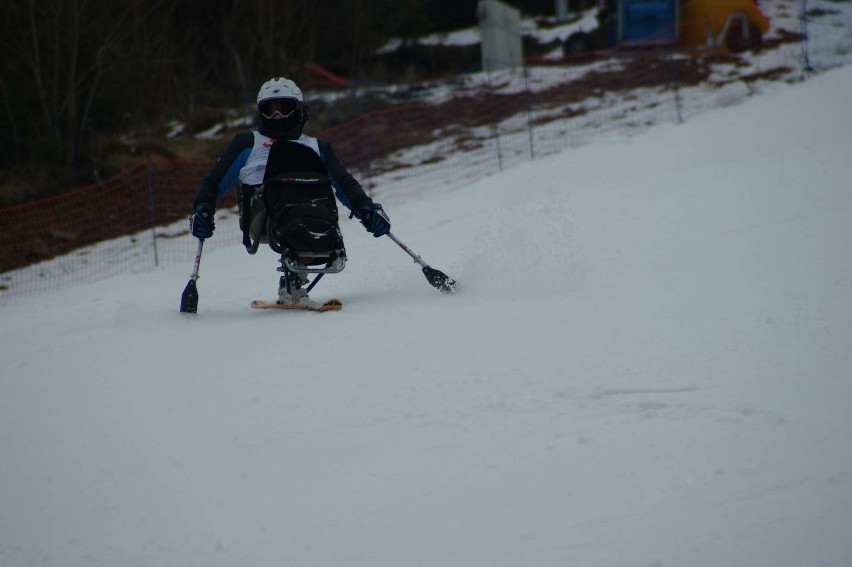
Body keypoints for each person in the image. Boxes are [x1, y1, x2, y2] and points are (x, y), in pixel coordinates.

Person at [189, 77, 390, 306]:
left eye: (284, 109)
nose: (277, 117)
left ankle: (296, 276)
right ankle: (293, 278)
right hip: (263, 215)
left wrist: (365, 208)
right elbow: (215, 180)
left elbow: (344, 183)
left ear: (298, 110)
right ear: (260, 113)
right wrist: (204, 208)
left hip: (311, 208)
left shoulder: (317, 146)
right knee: (286, 177)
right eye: (270, 110)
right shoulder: (248, 142)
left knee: (316, 189)